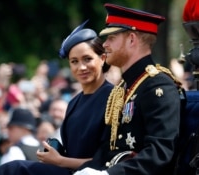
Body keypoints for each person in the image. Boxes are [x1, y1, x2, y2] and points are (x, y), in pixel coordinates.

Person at [74, 3, 185, 175]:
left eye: (111, 38)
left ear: (132, 39)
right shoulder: (124, 86)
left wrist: (108, 174)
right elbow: (109, 149)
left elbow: (159, 152)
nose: (105, 45)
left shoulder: (158, 86)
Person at [0, 20, 114, 175]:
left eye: (87, 59)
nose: (81, 67)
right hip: (68, 170)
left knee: (17, 169)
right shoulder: (74, 103)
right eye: (74, 61)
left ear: (102, 58)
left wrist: (60, 161)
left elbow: (107, 161)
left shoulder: (113, 99)